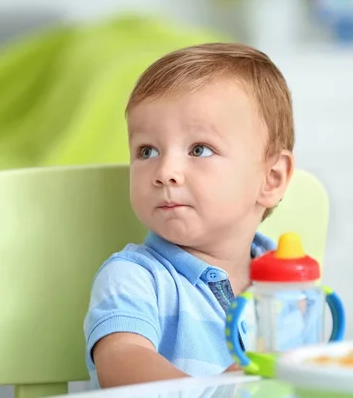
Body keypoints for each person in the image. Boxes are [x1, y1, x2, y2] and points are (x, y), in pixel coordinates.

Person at [84, 42, 295, 388]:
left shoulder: (287, 286)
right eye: (147, 151)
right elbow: (120, 363)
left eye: (200, 149)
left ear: (271, 179)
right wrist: (213, 392)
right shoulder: (133, 277)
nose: (165, 171)